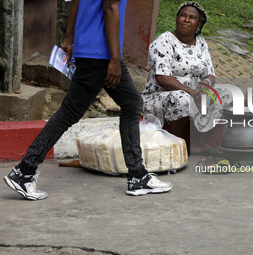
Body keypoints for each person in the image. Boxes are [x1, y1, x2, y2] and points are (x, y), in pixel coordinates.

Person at [4, 0, 172, 200]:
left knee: (131, 103)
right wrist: (115, 59)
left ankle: (137, 176)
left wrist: (68, 40)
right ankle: (24, 171)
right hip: (101, 54)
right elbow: (110, 7)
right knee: (70, 112)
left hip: (92, 50)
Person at [141, 2, 232, 155]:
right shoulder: (164, 41)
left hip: (193, 92)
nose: (186, 20)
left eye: (192, 18)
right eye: (183, 15)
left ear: (199, 24)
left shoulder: (202, 44)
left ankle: (198, 143)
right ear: (177, 19)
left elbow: (210, 74)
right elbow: (162, 78)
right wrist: (191, 92)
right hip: (159, 96)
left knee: (227, 95)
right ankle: (177, 144)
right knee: (183, 99)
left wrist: (204, 86)